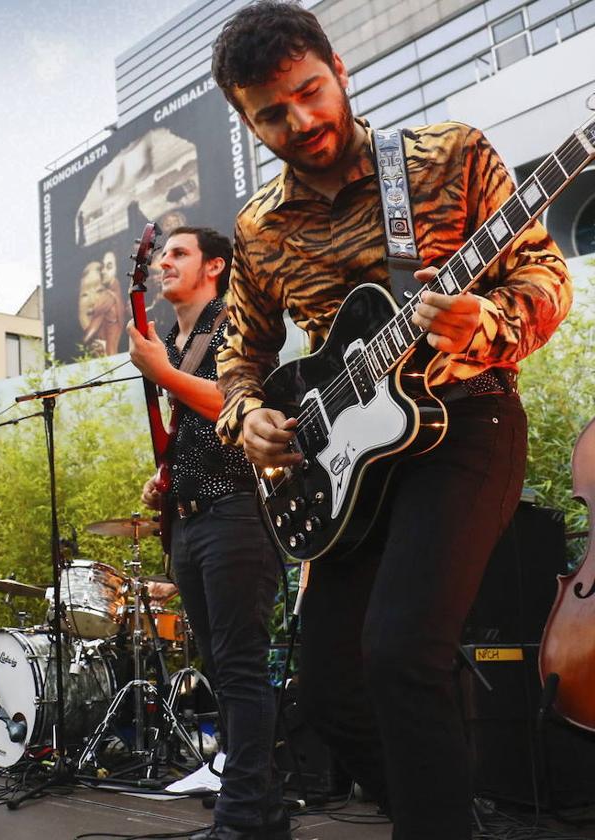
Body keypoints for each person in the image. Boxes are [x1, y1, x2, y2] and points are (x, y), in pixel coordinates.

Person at [210, 3, 572, 838]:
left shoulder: (447, 156)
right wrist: (250, 414)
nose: (299, 121)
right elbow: (241, 353)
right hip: (346, 467)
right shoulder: (259, 229)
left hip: (464, 423)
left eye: (309, 92)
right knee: (331, 691)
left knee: (404, 652)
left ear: (339, 70)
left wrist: (489, 322)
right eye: (272, 112)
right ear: (245, 118)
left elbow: (545, 274)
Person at [127, 226, 286, 840]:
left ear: (215, 265)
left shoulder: (234, 324)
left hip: (240, 511)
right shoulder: (172, 337)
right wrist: (166, 475)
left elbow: (238, 407)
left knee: (240, 667)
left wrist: (163, 374)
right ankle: (264, 811)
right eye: (161, 254)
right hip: (193, 517)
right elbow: (197, 431)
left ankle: (242, 815)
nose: (164, 262)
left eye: (179, 253)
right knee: (222, 669)